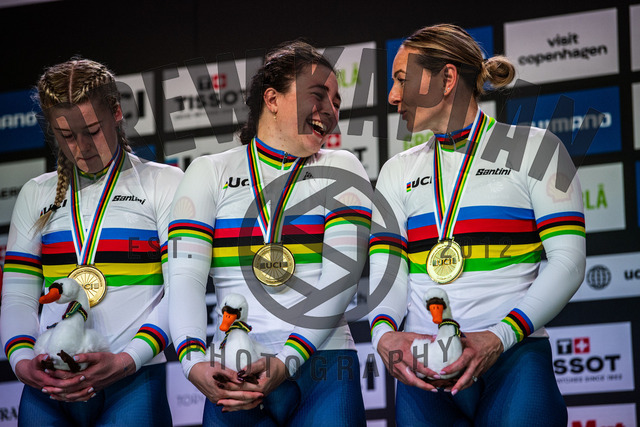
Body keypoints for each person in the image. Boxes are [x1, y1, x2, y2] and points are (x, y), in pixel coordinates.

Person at [368, 24, 586, 426]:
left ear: (447, 79)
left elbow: (568, 263)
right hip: (425, 366)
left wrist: (499, 337)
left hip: (513, 360)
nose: (393, 96)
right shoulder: (396, 170)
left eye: (401, 79)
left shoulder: (537, 149)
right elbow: (388, 271)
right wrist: (383, 334)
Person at [168, 40, 370, 426]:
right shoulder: (209, 172)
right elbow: (184, 280)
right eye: (318, 95)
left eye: (336, 102)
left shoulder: (342, 166)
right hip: (234, 368)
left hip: (323, 364)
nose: (330, 112)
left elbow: (340, 280)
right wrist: (193, 363)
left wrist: (288, 358)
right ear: (272, 99)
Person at [0, 58, 181, 426]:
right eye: (66, 136)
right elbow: (18, 296)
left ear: (116, 112)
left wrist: (127, 359)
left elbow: (181, 292)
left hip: (132, 380)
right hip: (50, 385)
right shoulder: (36, 193)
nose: (81, 147)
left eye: (92, 130)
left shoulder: (165, 183)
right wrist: (21, 362)